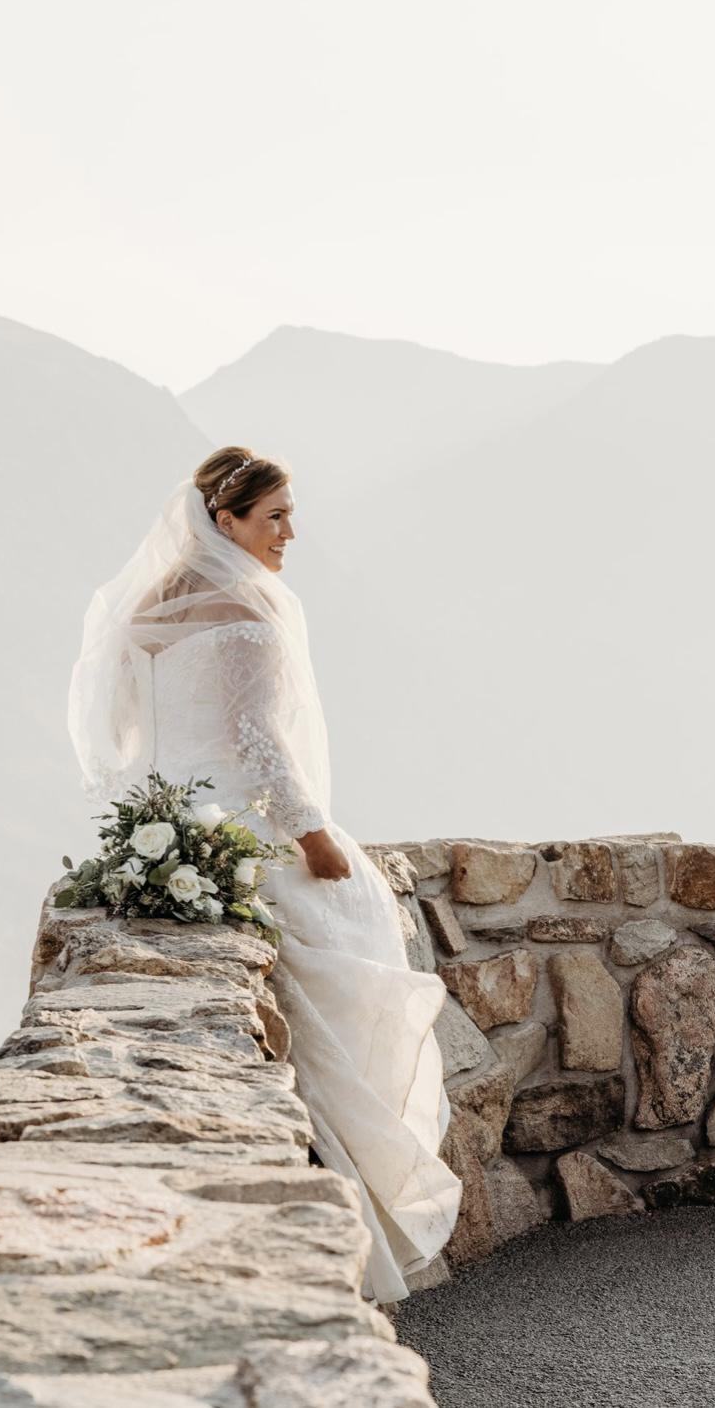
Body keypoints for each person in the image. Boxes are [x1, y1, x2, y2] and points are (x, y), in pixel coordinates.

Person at [67, 445, 462, 1304]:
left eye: (291, 514)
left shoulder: (147, 605)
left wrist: (165, 819)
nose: (290, 533)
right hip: (255, 830)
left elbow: (127, 727)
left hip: (179, 828)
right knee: (354, 943)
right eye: (274, 517)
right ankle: (353, 1209)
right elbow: (261, 741)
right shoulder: (249, 610)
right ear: (226, 520)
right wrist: (317, 839)